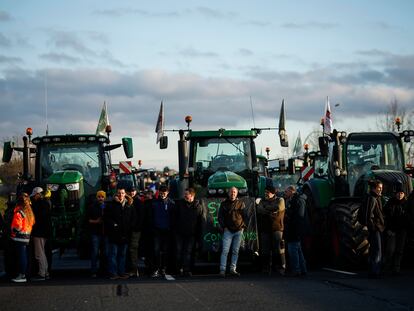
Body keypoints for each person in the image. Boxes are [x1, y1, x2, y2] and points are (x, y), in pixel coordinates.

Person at [104, 187, 134, 280]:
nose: (121, 195)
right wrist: (113, 224)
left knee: (122, 255)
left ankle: (121, 272)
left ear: (125, 194)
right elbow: (106, 218)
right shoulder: (111, 205)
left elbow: (133, 218)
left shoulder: (129, 205)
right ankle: (113, 273)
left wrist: (130, 227)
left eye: (122, 193)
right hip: (114, 234)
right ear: (116, 194)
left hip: (125, 234)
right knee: (113, 254)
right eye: (119, 193)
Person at [173, 188, 203, 277]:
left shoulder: (198, 206)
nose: (185, 196)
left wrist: (198, 234)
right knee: (178, 251)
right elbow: (174, 218)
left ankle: (186, 270)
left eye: (186, 194)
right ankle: (178, 269)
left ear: (192, 195)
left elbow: (200, 221)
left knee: (188, 252)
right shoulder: (179, 204)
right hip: (179, 233)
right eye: (185, 194)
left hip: (191, 234)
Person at [257, 185, 286, 275]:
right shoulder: (262, 201)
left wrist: (266, 209)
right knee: (265, 249)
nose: (266, 193)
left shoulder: (280, 200)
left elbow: (278, 208)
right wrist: (270, 211)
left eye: (268, 192)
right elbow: (259, 210)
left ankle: (280, 267)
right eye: (265, 192)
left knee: (279, 249)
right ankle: (266, 268)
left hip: (277, 228)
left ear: (273, 193)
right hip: (265, 229)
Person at [218, 186, 246, 277]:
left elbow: (245, 216)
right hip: (228, 231)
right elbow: (220, 217)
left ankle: (232, 269)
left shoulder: (241, 203)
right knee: (225, 251)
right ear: (228, 193)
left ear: (237, 193)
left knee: (235, 251)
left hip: (238, 231)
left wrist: (243, 227)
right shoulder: (223, 204)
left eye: (234, 192)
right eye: (231, 192)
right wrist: (224, 226)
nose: (233, 193)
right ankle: (222, 270)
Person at [149, 185, 175, 277]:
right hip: (156, 231)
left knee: (165, 251)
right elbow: (150, 217)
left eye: (164, 192)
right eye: (161, 192)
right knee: (156, 251)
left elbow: (174, 218)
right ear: (158, 192)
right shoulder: (154, 202)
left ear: (167, 193)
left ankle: (163, 269)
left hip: (167, 231)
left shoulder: (172, 203)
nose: (162, 194)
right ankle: (156, 269)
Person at [383, 182, 408, 275]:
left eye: (401, 193)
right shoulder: (390, 203)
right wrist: (388, 229)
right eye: (398, 193)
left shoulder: (406, 204)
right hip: (392, 231)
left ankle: (396, 268)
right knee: (390, 250)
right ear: (395, 193)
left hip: (402, 230)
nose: (400, 194)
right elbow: (386, 217)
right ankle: (386, 267)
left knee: (399, 250)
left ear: (404, 193)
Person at [10, 193, 35, 283]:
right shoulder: (29, 212)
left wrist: (13, 230)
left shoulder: (19, 212)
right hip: (26, 236)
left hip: (19, 236)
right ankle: (25, 274)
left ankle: (22, 275)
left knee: (21, 256)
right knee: (24, 256)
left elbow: (17, 226)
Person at [284, 185, 307, 277]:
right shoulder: (295, 200)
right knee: (298, 250)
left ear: (291, 192)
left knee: (293, 250)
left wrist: (288, 215)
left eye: (286, 191)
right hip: (295, 229)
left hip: (294, 229)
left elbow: (299, 216)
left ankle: (296, 270)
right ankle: (302, 269)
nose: (285, 193)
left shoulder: (298, 201)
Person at [30, 187, 52, 281]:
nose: (33, 197)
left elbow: (37, 218)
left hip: (39, 232)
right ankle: (45, 272)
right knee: (43, 253)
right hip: (45, 231)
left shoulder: (39, 204)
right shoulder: (47, 203)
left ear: (38, 194)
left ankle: (42, 273)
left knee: (39, 254)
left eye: (34, 195)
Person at [364, 179, 384, 278]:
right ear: (373, 188)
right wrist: (374, 227)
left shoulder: (376, 198)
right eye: (379, 188)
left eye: (381, 188)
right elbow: (369, 215)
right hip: (375, 228)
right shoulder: (372, 199)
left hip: (377, 228)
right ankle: (375, 272)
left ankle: (373, 270)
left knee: (374, 250)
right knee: (377, 250)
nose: (381, 190)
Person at [88, 190, 108, 277]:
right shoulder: (92, 207)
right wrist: (96, 221)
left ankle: (103, 270)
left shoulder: (107, 207)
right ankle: (94, 271)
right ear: (97, 197)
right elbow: (87, 220)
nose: (101, 198)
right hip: (95, 233)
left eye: (102, 197)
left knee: (105, 253)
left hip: (105, 233)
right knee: (95, 253)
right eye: (99, 197)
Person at [128, 186, 145, 277]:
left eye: (133, 191)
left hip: (135, 230)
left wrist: (137, 227)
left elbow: (141, 217)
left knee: (133, 249)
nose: (132, 193)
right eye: (130, 191)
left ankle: (134, 269)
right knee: (130, 249)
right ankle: (132, 269)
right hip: (128, 229)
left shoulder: (138, 202)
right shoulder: (127, 200)